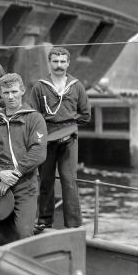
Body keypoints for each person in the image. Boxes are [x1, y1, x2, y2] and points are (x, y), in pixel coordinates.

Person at [0, 74, 47, 243]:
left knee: (23, 233)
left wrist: (15, 174)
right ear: (0, 94)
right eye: (6, 92)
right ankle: (5, 270)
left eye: (14, 91)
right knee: (2, 236)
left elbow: (38, 152)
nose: (10, 97)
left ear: (22, 91)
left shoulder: (34, 118)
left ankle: (26, 268)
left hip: (25, 184)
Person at [30, 47, 91, 231]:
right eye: (55, 62)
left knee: (69, 179)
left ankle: (73, 224)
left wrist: (69, 124)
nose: (59, 66)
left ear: (68, 63)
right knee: (46, 179)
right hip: (47, 139)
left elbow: (86, 114)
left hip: (69, 139)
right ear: (50, 62)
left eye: (62, 62)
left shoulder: (76, 86)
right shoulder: (39, 86)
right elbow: (34, 115)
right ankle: (44, 220)